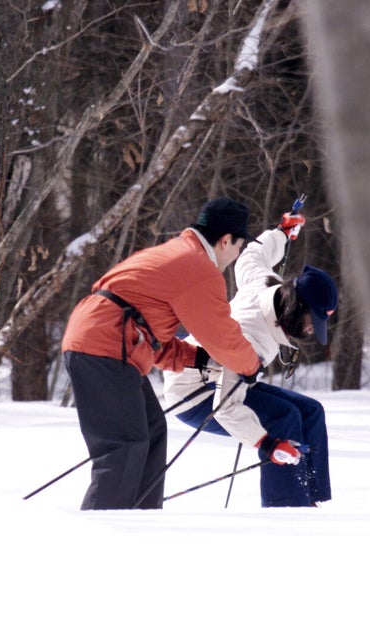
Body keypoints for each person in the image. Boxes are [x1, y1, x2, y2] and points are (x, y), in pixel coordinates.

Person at [61, 197, 263, 510]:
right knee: (125, 447)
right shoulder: (199, 269)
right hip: (105, 345)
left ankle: (142, 520)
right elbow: (223, 336)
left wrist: (197, 359)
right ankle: (103, 534)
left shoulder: (177, 254)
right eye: (240, 246)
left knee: (152, 431)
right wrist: (250, 365)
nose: (238, 255)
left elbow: (149, 333)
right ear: (226, 240)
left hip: (105, 339)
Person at [162, 211, 338, 507]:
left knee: (311, 412)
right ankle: (286, 507)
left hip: (227, 378)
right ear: (296, 306)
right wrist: (269, 444)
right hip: (195, 393)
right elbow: (225, 409)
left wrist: (281, 233)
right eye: (311, 321)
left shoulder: (267, 285)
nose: (310, 330)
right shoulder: (251, 339)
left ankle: (309, 497)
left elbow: (251, 255)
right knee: (284, 419)